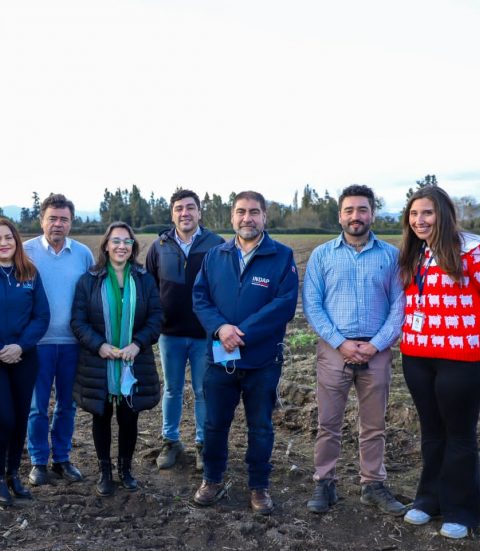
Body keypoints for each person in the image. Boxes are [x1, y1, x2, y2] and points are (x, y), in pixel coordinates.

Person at [398, 186, 480, 539]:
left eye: (427, 213)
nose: (420, 221)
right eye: (414, 214)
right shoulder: (415, 253)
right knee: (432, 432)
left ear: (443, 214)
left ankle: (460, 510)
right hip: (417, 357)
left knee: (459, 435)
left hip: (463, 360)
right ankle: (428, 499)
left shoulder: (476, 251)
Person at [191, 191, 298, 514]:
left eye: (254, 212)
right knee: (214, 424)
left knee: (261, 426)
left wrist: (243, 333)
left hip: (262, 360)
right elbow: (200, 297)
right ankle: (212, 479)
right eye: (241, 212)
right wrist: (221, 328)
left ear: (265, 216)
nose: (247, 218)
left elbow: (285, 304)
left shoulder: (281, 255)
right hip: (219, 358)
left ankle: (259, 487)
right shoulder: (215, 255)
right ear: (231, 217)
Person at [302, 184, 406, 515]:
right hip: (335, 350)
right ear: (340, 216)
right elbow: (313, 305)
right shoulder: (322, 255)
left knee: (374, 424)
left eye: (362, 209)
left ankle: (372, 484)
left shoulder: (391, 256)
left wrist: (375, 345)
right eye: (349, 210)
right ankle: (325, 483)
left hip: (377, 351)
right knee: (328, 422)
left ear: (372, 213)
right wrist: (341, 343)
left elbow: (399, 306)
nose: (356, 216)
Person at [71, 222, 163, 496]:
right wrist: (99, 345)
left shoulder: (144, 279)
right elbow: (78, 321)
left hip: (134, 362)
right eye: (116, 241)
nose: (121, 246)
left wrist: (138, 344)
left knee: (129, 416)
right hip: (99, 363)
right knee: (101, 416)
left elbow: (156, 318)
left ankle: (125, 469)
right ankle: (105, 471)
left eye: (127, 241)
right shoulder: (89, 279)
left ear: (133, 247)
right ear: (106, 246)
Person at [0, 218, 50, 505]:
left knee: (20, 420)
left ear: (16, 241)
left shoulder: (30, 274)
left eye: (8, 238)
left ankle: (14, 474)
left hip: (25, 359)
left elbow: (41, 317)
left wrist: (20, 346)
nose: (3, 243)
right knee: (3, 418)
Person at [146, 188, 224, 471]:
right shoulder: (160, 246)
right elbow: (151, 289)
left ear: (199, 212)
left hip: (205, 335)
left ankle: (203, 444)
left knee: (204, 390)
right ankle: (171, 441)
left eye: (190, 207)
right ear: (172, 213)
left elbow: (224, 288)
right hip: (170, 334)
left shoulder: (216, 245)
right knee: (172, 389)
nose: (185, 213)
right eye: (179, 208)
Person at [23, 194, 94, 486]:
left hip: (72, 344)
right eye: (52, 218)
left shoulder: (82, 254)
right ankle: (38, 461)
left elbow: (91, 296)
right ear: (42, 220)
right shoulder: (25, 252)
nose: (58, 224)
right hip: (37, 344)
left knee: (67, 404)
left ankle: (62, 458)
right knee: (38, 406)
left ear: (71, 223)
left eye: (64, 219)